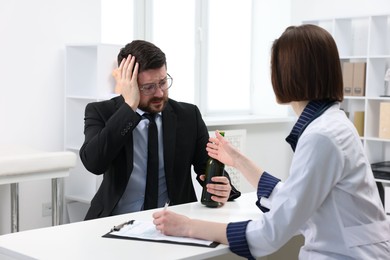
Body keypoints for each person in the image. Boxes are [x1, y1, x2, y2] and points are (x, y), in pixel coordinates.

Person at [152, 25, 390, 259]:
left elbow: (269, 233)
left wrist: (187, 227)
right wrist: (237, 159)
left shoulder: (321, 136)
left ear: (288, 73)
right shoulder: (332, 123)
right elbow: (292, 198)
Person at [79, 40, 240, 220]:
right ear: (128, 84)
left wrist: (224, 188)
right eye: (148, 87)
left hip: (173, 221)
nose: (159, 93)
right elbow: (94, 163)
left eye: (163, 82)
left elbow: (206, 166)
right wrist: (129, 107)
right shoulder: (101, 112)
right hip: (116, 221)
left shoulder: (188, 116)